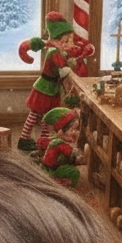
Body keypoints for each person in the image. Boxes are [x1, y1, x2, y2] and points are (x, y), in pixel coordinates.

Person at [18, 11, 79, 152]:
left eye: (71, 40)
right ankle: (24, 138)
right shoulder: (54, 53)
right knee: (35, 114)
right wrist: (69, 67)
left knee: (45, 115)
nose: (70, 44)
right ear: (57, 41)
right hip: (45, 88)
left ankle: (44, 139)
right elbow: (62, 70)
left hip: (51, 89)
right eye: (66, 41)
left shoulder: (58, 52)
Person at [38, 105, 83, 187]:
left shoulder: (57, 140)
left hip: (51, 167)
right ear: (60, 132)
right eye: (71, 129)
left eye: (77, 129)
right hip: (51, 171)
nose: (74, 132)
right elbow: (72, 154)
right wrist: (81, 155)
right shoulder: (59, 143)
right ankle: (58, 183)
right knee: (74, 172)